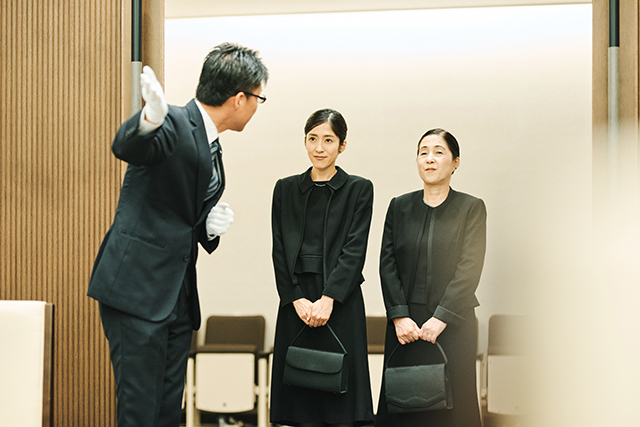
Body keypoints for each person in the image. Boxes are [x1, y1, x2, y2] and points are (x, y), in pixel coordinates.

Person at [87, 43, 268, 427]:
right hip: (138, 292)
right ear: (239, 99)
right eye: (258, 98)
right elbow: (127, 145)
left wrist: (206, 227)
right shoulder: (172, 121)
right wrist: (150, 117)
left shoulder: (211, 143)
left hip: (176, 297)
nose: (257, 106)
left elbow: (176, 211)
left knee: (168, 412)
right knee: (139, 411)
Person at [269, 109, 375, 427]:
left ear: (342, 146)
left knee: (340, 403)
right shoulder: (285, 188)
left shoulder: (359, 189)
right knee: (300, 398)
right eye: (312, 139)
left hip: (340, 301)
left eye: (328, 140)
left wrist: (329, 299)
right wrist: (295, 298)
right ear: (304, 141)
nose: (319, 147)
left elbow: (355, 250)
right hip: (297, 302)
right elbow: (278, 249)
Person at [375, 128, 486, 427]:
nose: (429, 159)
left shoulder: (471, 208)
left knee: (454, 412)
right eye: (423, 152)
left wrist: (441, 318)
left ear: (455, 162)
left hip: (453, 322)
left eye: (438, 152)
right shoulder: (399, 206)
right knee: (403, 404)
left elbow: (470, 267)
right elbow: (387, 264)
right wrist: (399, 317)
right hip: (405, 325)